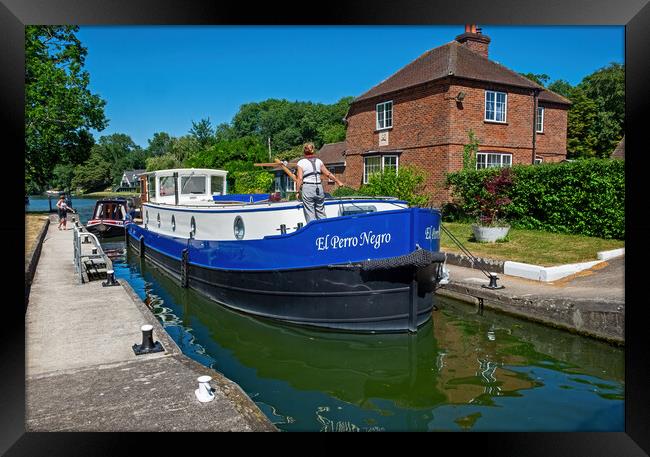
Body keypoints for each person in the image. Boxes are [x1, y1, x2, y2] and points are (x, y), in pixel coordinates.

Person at [296, 142, 343, 223]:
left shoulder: (301, 162)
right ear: (313, 150)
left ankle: (314, 232)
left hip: (308, 188)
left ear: (304, 151)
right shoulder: (319, 161)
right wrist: (338, 182)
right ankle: (325, 231)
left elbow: (300, 178)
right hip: (319, 188)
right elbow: (328, 174)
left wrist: (297, 191)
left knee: (310, 213)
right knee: (321, 211)